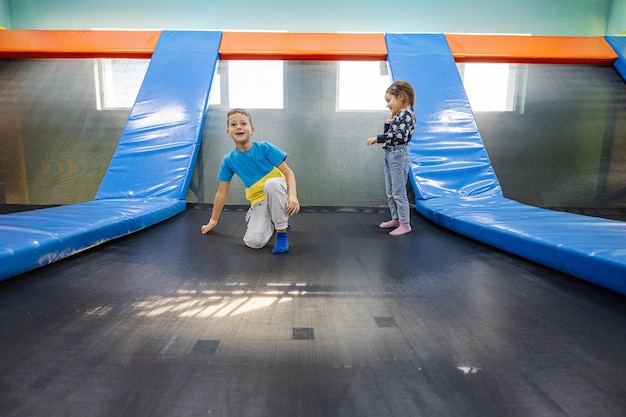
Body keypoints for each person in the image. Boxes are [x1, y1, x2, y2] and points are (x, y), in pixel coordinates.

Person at [201, 108, 300, 253]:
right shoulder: (228, 160)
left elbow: (289, 173)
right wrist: (212, 222)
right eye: (233, 125)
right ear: (228, 132)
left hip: (277, 190)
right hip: (258, 200)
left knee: (271, 184)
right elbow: (221, 193)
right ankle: (272, 220)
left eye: (243, 123)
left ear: (252, 129)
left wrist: (292, 195)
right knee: (253, 242)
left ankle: (281, 233)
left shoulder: (264, 147)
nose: (239, 127)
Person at [366, 80, 416, 236]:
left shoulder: (407, 114)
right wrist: (387, 125)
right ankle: (396, 218)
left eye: (389, 100)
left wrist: (378, 138)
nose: (387, 105)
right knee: (390, 190)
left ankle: (405, 223)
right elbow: (392, 134)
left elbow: (399, 136)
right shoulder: (399, 115)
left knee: (399, 191)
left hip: (398, 154)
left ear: (400, 97)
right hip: (390, 153)